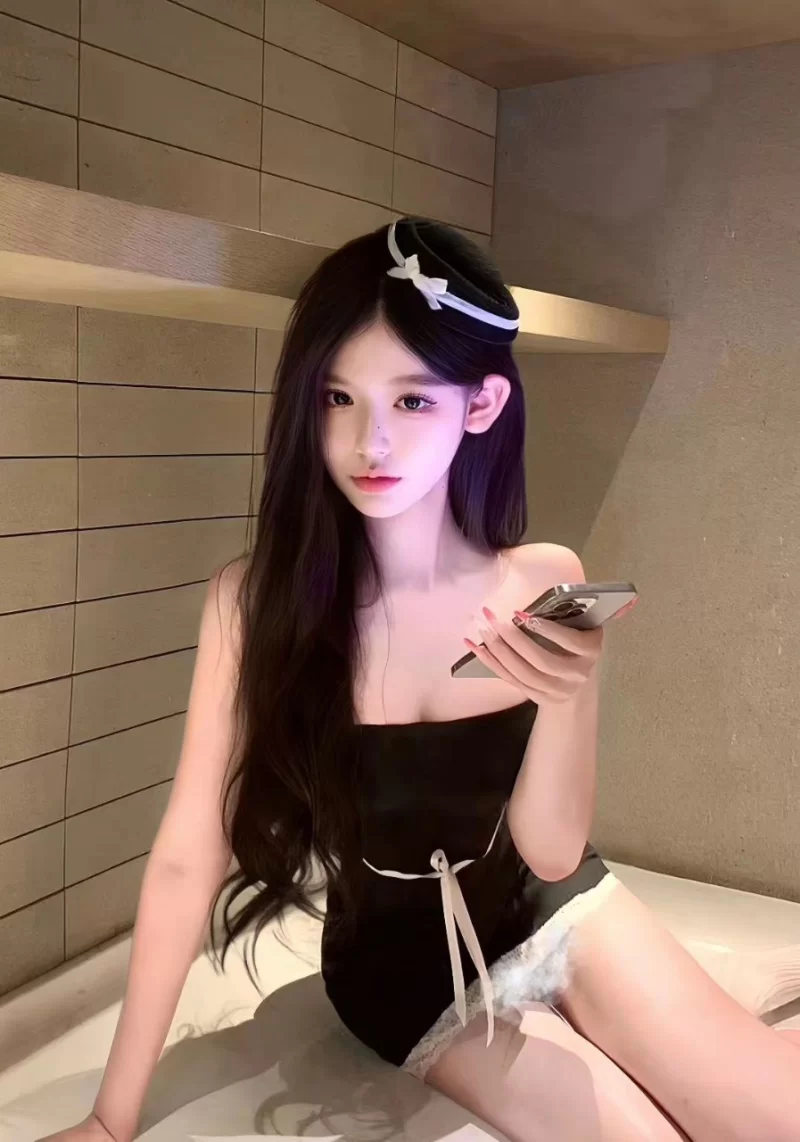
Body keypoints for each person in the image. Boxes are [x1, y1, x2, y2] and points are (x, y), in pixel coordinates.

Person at [43, 218, 800, 1142]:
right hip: (403, 973)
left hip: (556, 907)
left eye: (411, 401)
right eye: (338, 397)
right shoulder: (252, 605)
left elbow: (552, 853)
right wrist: (110, 1120)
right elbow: (186, 856)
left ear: (479, 406)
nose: (370, 442)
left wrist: (568, 694)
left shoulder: (543, 579)